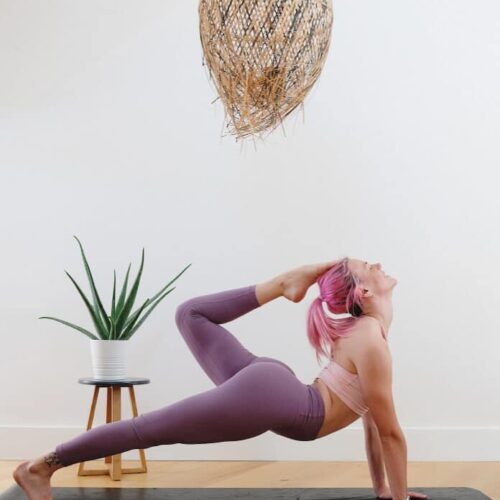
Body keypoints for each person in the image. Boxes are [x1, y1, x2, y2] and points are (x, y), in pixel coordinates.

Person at [12, 258, 427, 500]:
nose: (377, 264)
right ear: (364, 294)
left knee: (189, 315)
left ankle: (282, 284)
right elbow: (391, 433)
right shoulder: (370, 340)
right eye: (367, 266)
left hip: (274, 389)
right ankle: (41, 467)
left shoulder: (364, 335)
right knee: (148, 429)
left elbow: (375, 425)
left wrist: (385, 491)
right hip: (275, 397)